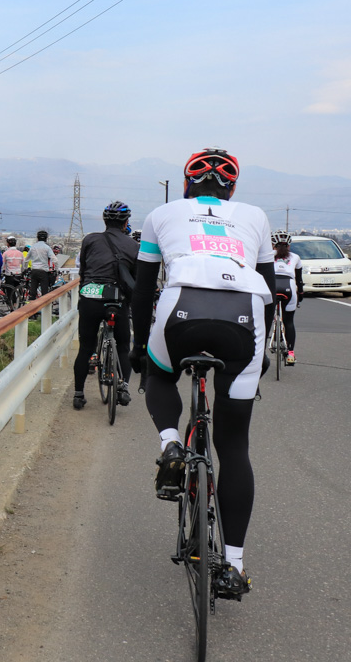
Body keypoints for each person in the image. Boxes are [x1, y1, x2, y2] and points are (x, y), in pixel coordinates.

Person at [130, 148, 273, 600]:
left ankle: (171, 443)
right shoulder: (255, 216)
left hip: (180, 308)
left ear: (187, 183)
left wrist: (138, 346)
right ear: (232, 188)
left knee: (159, 373)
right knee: (233, 446)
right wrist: (261, 355)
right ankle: (233, 565)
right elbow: (271, 287)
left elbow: (141, 289)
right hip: (244, 314)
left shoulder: (162, 213)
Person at [72, 201, 138, 410]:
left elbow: (83, 271)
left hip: (90, 298)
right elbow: (134, 280)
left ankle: (79, 394)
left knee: (85, 348)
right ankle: (124, 387)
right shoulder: (134, 246)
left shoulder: (90, 240)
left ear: (104, 220)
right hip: (117, 300)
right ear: (126, 222)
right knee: (124, 345)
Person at [270, 230, 303, 365]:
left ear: (273, 245)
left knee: (264, 322)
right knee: (289, 322)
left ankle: (259, 355)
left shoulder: (267, 255)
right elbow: (300, 281)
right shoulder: (296, 257)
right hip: (289, 288)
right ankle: (290, 354)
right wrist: (300, 296)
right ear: (289, 245)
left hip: (271, 287)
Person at [27, 230, 56, 298]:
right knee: (44, 293)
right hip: (43, 271)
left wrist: (25, 268)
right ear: (46, 238)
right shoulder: (47, 248)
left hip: (34, 270)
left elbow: (26, 260)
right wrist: (56, 269)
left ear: (37, 238)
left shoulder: (33, 247)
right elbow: (54, 259)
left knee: (33, 292)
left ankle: (33, 304)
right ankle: (45, 307)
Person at [1, 236, 25, 304]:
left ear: (8, 244)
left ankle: (12, 305)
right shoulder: (20, 253)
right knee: (18, 289)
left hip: (9, 274)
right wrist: (22, 271)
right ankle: (20, 301)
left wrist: (2, 272)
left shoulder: (5, 253)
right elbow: (23, 264)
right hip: (18, 274)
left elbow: (2, 265)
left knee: (10, 292)